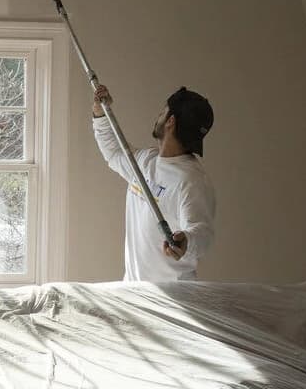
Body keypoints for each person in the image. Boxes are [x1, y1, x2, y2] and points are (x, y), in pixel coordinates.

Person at [92, 83, 216, 282]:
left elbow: (202, 232)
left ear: (170, 121)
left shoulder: (191, 180)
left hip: (173, 299)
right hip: (136, 292)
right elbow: (114, 152)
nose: (158, 116)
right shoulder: (146, 160)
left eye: (162, 112)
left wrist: (186, 242)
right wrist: (100, 113)